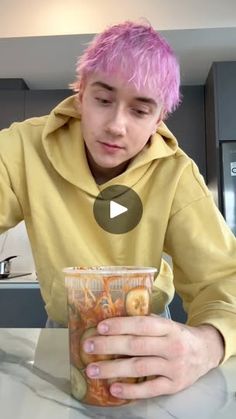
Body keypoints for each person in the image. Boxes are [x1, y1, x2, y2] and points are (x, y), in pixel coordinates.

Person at [0, 20, 235, 400]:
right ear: (80, 95)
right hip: (62, 330)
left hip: (150, 335)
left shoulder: (177, 175)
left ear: (158, 120)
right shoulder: (20, 149)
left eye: (140, 111)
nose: (115, 126)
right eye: (103, 100)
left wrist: (208, 344)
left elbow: (223, 280)